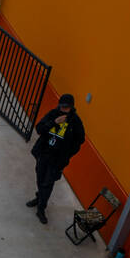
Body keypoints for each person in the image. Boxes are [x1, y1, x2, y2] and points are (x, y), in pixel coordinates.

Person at [27, 93, 85, 225]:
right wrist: (54, 122)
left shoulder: (75, 121)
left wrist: (68, 154)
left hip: (57, 160)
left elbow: (80, 140)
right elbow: (39, 129)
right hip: (43, 154)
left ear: (71, 107)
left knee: (48, 183)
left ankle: (41, 208)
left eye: (67, 107)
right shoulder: (53, 114)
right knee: (40, 178)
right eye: (62, 106)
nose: (64, 109)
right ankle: (39, 197)